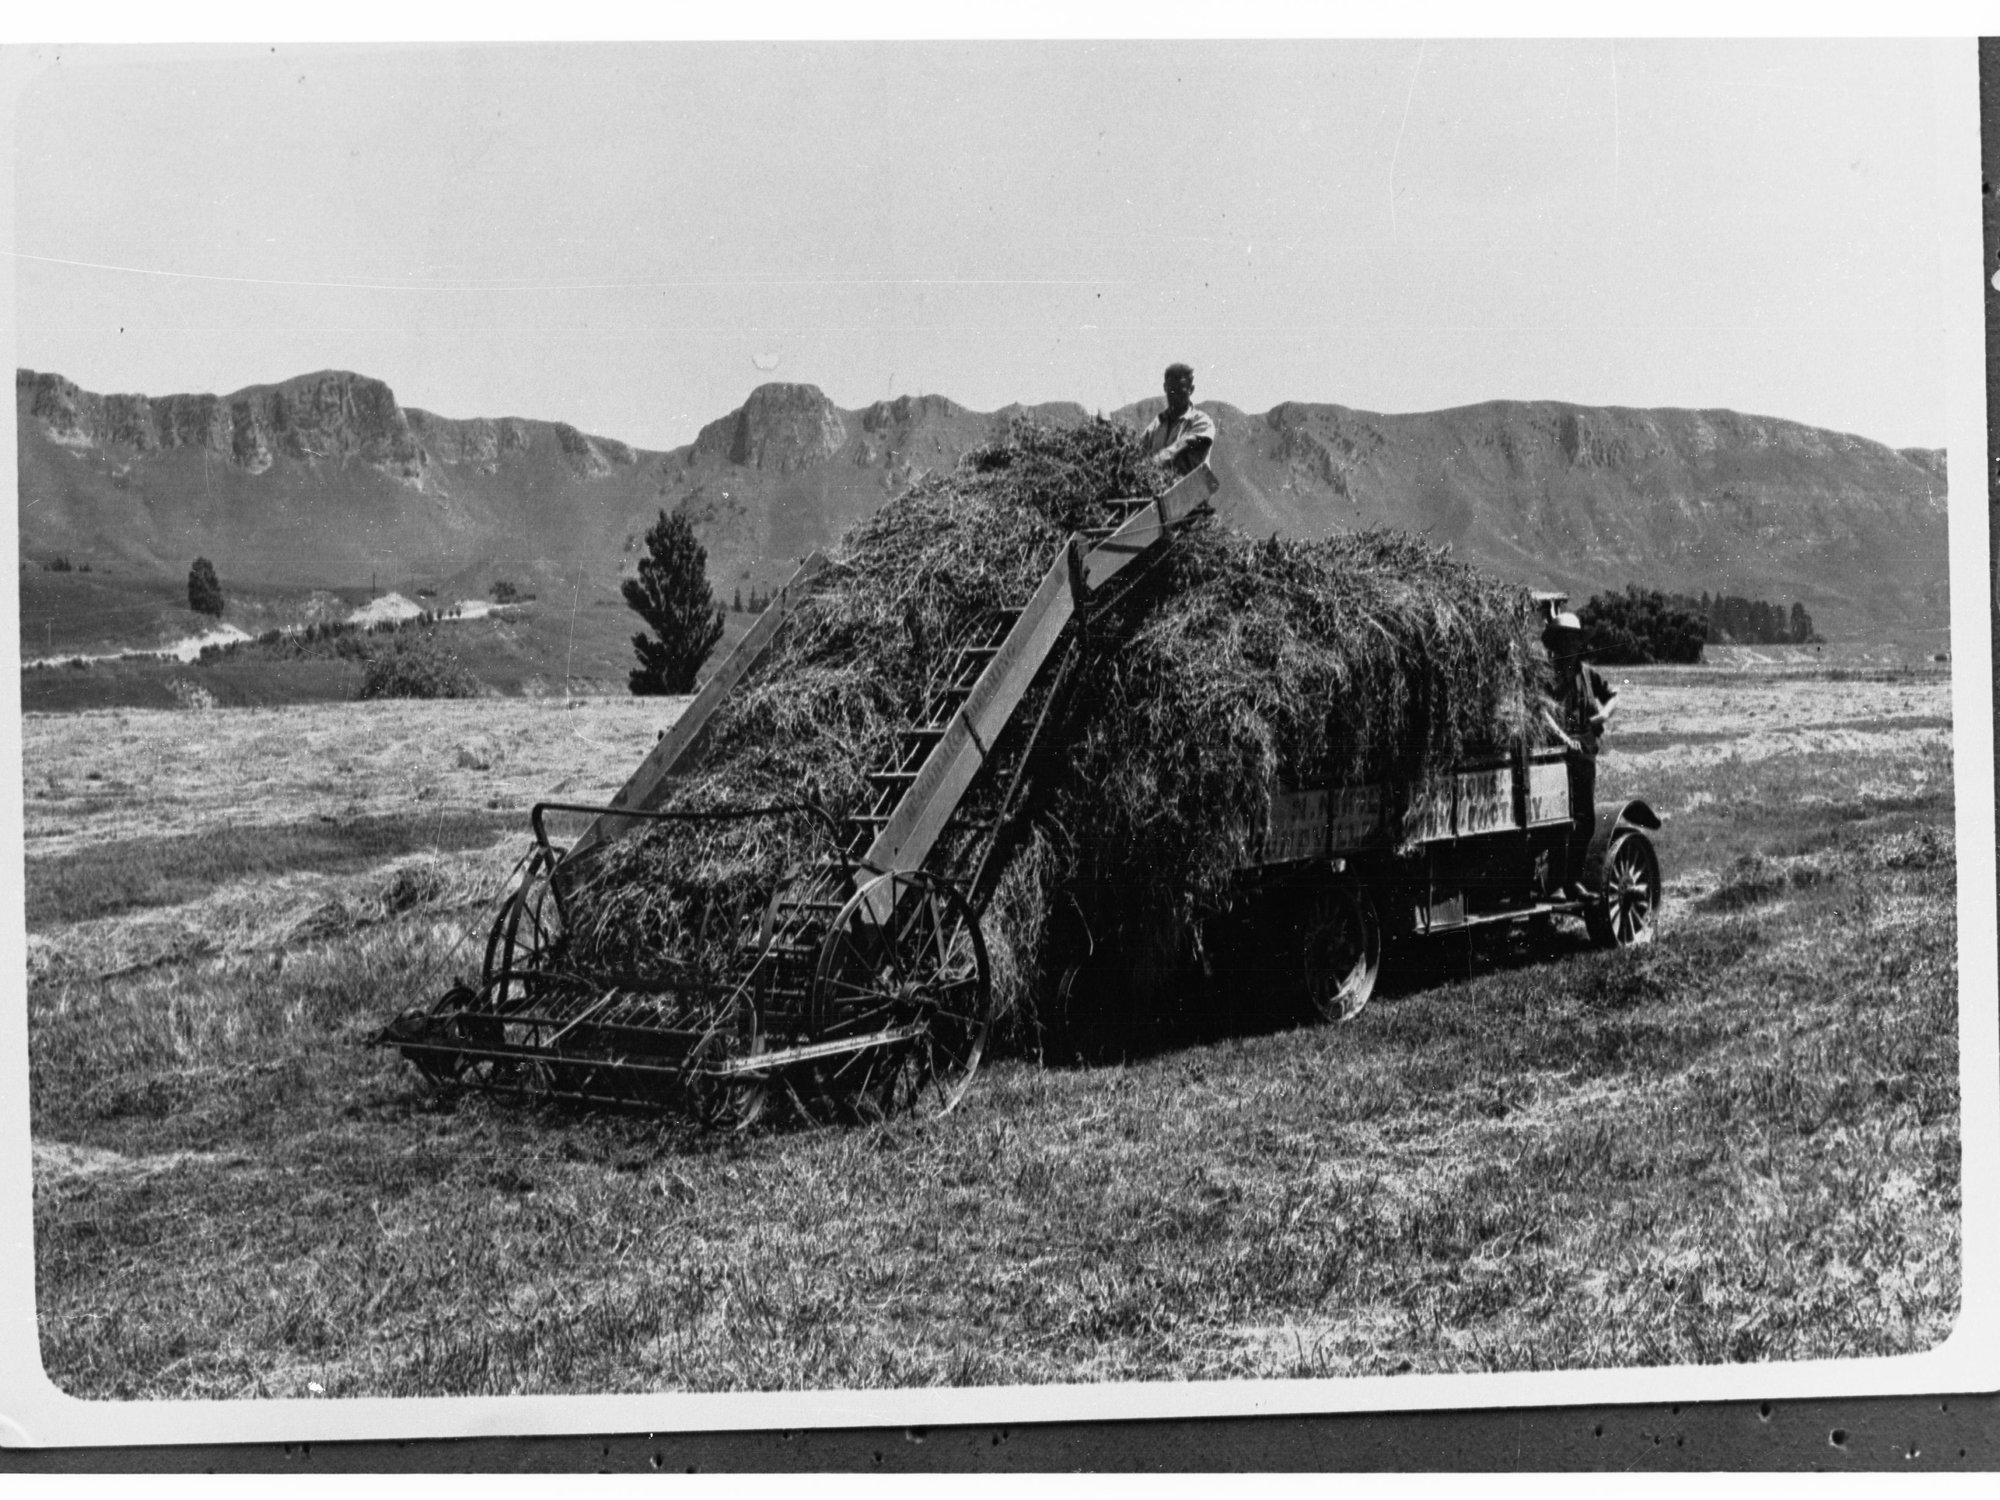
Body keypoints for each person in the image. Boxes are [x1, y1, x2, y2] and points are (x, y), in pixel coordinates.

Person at [1541, 611, 1618, 900]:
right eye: (1564, 641)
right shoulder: (1547, 676)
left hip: (1584, 756)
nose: (1570, 646)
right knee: (1560, 820)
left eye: (1574, 640)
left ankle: (1573, 880)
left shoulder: (1587, 673)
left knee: (1585, 821)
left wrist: (1603, 715)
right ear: (1556, 644)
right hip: (1556, 756)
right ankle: (1556, 884)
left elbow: (1613, 696)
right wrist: (1562, 739)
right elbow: (1541, 710)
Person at [1137, 363, 1216, 475]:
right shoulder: (1156, 425)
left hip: (1189, 485)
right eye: (1171, 390)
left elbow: (1183, 445)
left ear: (1191, 390)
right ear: (1165, 388)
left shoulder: (1202, 422)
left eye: (1180, 391)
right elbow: (1137, 449)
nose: (1175, 396)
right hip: (1160, 484)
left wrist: (1156, 461)